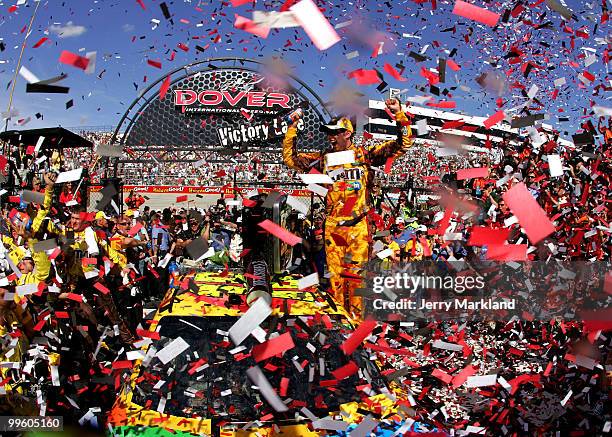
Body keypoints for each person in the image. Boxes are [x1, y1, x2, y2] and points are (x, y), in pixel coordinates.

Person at [282, 98, 413, 316]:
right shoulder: (324, 159)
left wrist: (399, 115)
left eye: (335, 132)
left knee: (356, 279)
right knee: (335, 280)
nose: (330, 137)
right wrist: (292, 129)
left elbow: (403, 144)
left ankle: (357, 327)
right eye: (328, 133)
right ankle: (340, 326)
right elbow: (290, 159)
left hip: (358, 227)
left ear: (348, 134)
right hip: (334, 226)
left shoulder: (364, 156)